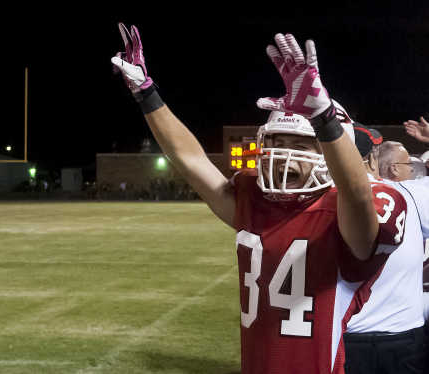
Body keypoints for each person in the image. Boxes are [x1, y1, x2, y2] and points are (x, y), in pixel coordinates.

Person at [112, 25, 407, 374]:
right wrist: (147, 94)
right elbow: (191, 161)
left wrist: (323, 117)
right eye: (279, 142)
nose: (285, 155)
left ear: (331, 146)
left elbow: (356, 196)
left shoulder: (363, 208)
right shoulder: (256, 199)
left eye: (300, 145)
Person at [343, 123, 429, 374]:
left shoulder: (322, 198)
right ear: (372, 159)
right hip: (402, 336)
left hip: (343, 336)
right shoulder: (413, 194)